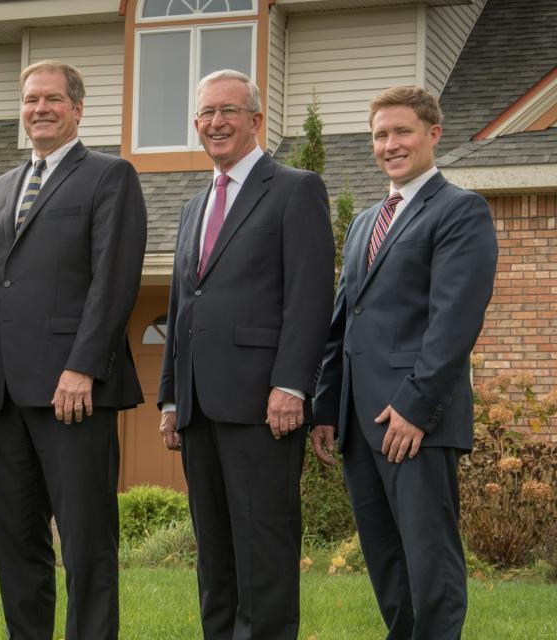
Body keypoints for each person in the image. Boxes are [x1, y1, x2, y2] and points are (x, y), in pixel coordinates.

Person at [0, 59, 146, 639]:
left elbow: (113, 282)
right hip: (6, 397)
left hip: (75, 394)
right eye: (30, 99)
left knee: (88, 543)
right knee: (16, 542)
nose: (39, 108)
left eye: (52, 99)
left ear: (77, 109)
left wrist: (82, 367)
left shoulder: (108, 176)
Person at [313, 86, 498, 639]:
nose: (389, 144)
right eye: (380, 135)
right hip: (359, 423)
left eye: (401, 132)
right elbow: (342, 322)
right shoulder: (366, 222)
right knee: (388, 565)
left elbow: (454, 325)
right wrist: (327, 407)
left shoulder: (461, 211)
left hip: (415, 423)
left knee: (429, 563)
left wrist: (414, 409)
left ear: (433, 134)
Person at [158, 69, 334, 640]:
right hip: (199, 409)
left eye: (227, 111)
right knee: (215, 556)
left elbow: (310, 298)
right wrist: (169, 396)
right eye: (206, 113)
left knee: (264, 551)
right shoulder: (193, 208)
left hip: (263, 406)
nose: (215, 123)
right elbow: (182, 306)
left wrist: (291, 385)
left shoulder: (294, 188)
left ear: (256, 121)